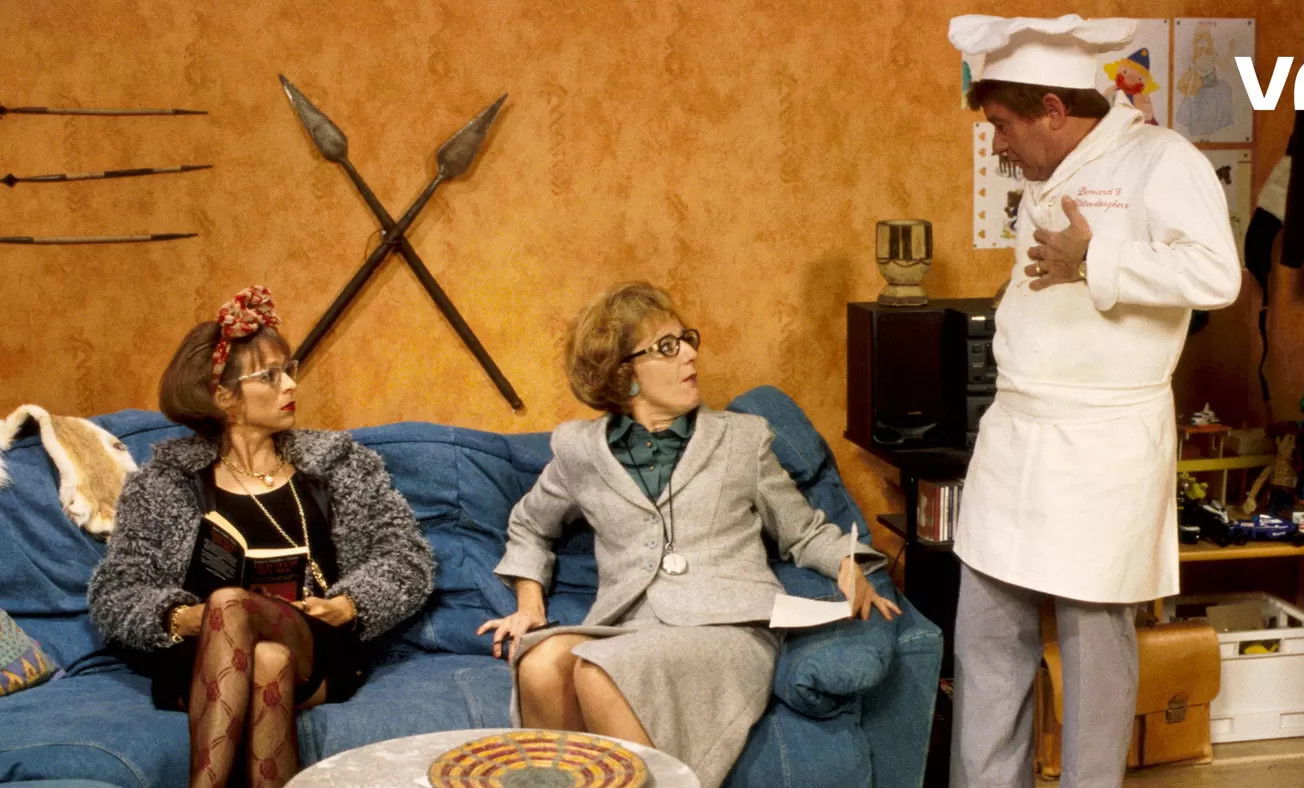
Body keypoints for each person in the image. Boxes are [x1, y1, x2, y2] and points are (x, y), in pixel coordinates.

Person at [946, 15, 1241, 788]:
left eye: (1002, 124)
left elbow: (1217, 275)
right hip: (1017, 433)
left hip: (1103, 444)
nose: (998, 144)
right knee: (985, 641)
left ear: (1052, 108)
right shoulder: (1049, 172)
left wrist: (1095, 256)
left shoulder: (1161, 159)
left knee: (1094, 658)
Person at [477, 282, 900, 787]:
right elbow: (530, 525)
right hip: (628, 626)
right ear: (623, 373)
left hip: (727, 628)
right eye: (666, 347)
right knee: (540, 663)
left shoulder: (742, 438)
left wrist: (849, 565)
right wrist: (529, 605)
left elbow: (803, 531)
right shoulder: (579, 451)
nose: (690, 354)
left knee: (599, 671)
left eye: (685, 339)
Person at [88, 285, 434, 788]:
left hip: (315, 641)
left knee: (233, 605)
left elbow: (406, 557)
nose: (290, 385)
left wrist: (349, 605)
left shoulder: (340, 465)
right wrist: (183, 617)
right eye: (270, 376)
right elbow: (115, 590)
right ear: (222, 396)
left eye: (288, 370)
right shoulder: (164, 482)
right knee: (264, 656)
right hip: (201, 656)